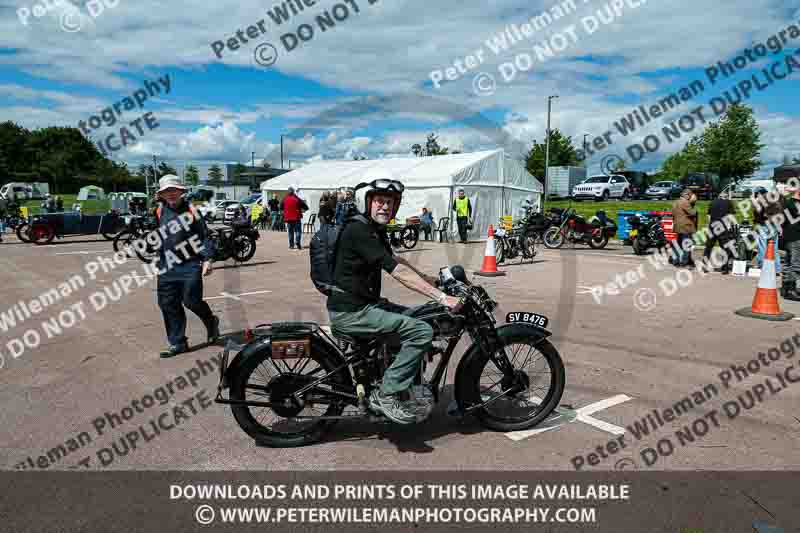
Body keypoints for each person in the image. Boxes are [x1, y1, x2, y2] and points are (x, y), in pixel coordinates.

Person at [327, 173, 461, 424]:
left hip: (364, 304)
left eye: (390, 202)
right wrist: (442, 297)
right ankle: (387, 393)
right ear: (367, 202)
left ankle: (397, 378)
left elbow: (396, 260)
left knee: (419, 316)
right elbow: (397, 272)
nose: (385, 206)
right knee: (421, 332)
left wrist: (431, 280)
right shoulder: (358, 230)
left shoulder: (373, 230)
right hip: (352, 311)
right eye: (380, 201)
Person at [153, 175, 220, 358]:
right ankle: (178, 343)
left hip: (190, 265)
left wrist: (208, 259)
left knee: (191, 300)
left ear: (181, 191)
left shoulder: (192, 210)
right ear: (162, 194)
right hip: (167, 266)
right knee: (168, 303)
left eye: (174, 190)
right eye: (167, 191)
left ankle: (211, 321)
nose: (171, 194)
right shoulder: (159, 211)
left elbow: (204, 235)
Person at [702, 191, 736, 274]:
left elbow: (708, 216)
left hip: (712, 227)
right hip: (723, 227)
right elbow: (730, 216)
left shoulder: (712, 202)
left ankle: (704, 266)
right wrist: (732, 225)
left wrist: (709, 226)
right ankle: (725, 268)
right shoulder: (728, 202)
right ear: (726, 196)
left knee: (708, 247)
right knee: (725, 248)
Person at [753, 188, 783, 276]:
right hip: (774, 226)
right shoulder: (774, 201)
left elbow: (759, 211)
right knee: (774, 248)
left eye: (756, 194)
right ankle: (777, 269)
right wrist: (779, 227)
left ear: (758, 193)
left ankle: (763, 267)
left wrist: (753, 200)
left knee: (762, 247)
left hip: (764, 226)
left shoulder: (761, 201)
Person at [781, 186, 800, 301]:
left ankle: (785, 288)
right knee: (796, 264)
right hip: (796, 236)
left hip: (788, 236)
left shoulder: (787, 203)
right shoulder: (795, 204)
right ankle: (791, 290)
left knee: (788, 263)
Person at [672, 189, 698, 267]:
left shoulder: (675, 202)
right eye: (690, 195)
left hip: (677, 226)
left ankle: (675, 261)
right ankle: (684, 262)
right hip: (686, 227)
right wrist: (693, 203)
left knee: (678, 244)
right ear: (686, 195)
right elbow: (692, 213)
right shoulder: (685, 202)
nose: (690, 197)